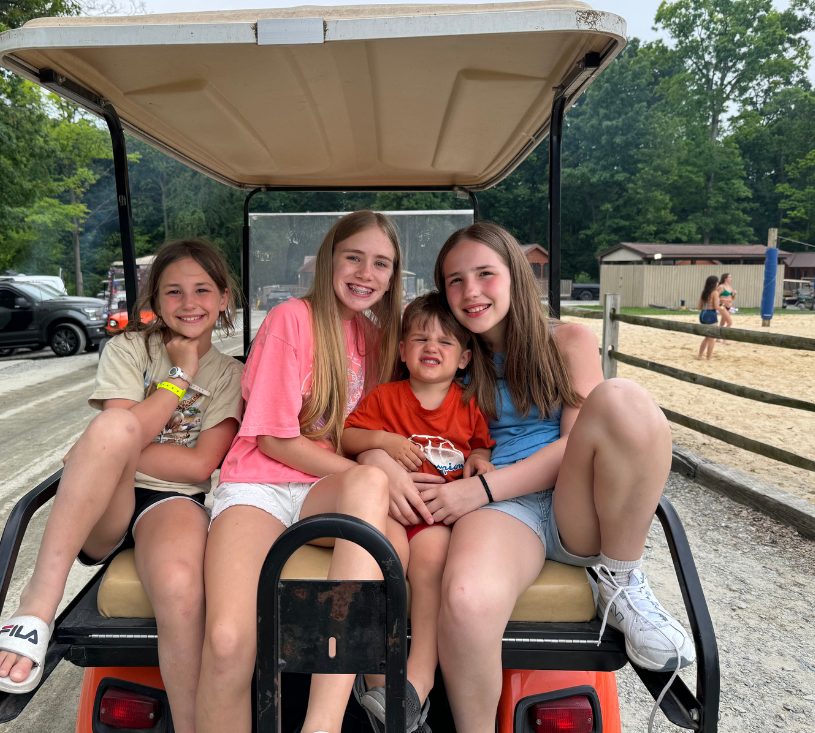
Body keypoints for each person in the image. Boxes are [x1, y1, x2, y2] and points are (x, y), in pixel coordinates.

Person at [399, 222, 695, 733]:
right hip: (502, 513)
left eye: (485, 274)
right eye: (455, 280)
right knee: (467, 601)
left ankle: (620, 583)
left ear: (514, 274)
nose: (471, 291)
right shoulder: (451, 355)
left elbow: (572, 447)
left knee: (622, 397)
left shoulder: (568, 341)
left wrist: (482, 487)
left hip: (570, 501)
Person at [0, 239, 244, 733]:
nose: (189, 303)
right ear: (154, 300)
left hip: (169, 498)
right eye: (173, 292)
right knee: (114, 429)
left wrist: (96, 454)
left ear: (224, 298)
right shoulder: (128, 348)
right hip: (106, 501)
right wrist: (177, 379)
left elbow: (198, 466)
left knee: (179, 588)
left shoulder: (231, 373)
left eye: (201, 290)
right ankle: (38, 604)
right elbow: (123, 431)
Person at [196, 211, 403, 733]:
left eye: (381, 263)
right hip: (262, 486)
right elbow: (272, 437)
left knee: (375, 487)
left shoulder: (378, 342)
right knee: (227, 641)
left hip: (325, 494)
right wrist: (366, 472)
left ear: (394, 275)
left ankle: (323, 723)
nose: (365, 272)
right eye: (354, 257)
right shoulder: (292, 318)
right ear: (330, 258)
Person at [342, 292, 495, 733]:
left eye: (446, 342)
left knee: (430, 565)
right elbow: (349, 438)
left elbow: (481, 444)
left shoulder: (468, 403)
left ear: (464, 358)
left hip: (436, 515)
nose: (432, 348)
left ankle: (419, 680)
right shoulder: (386, 397)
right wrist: (384, 443)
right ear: (403, 352)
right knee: (383, 561)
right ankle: (378, 682)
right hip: (391, 510)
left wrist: (482, 459)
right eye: (420, 339)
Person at [699, 275, 721, 360]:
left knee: (707, 337)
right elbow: (716, 307)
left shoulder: (704, 293)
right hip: (710, 314)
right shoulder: (715, 293)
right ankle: (709, 357)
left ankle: (700, 355)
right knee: (712, 338)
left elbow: (699, 306)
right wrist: (721, 307)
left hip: (702, 315)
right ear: (715, 283)